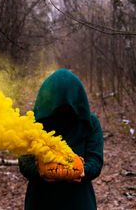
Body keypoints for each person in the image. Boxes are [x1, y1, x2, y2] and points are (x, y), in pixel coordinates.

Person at [19, 69, 104, 210]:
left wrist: (83, 171)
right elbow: (24, 161)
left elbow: (95, 160)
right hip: (41, 200)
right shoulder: (33, 123)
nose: (63, 110)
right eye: (59, 106)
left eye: (68, 106)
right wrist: (40, 171)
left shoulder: (90, 123)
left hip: (79, 201)